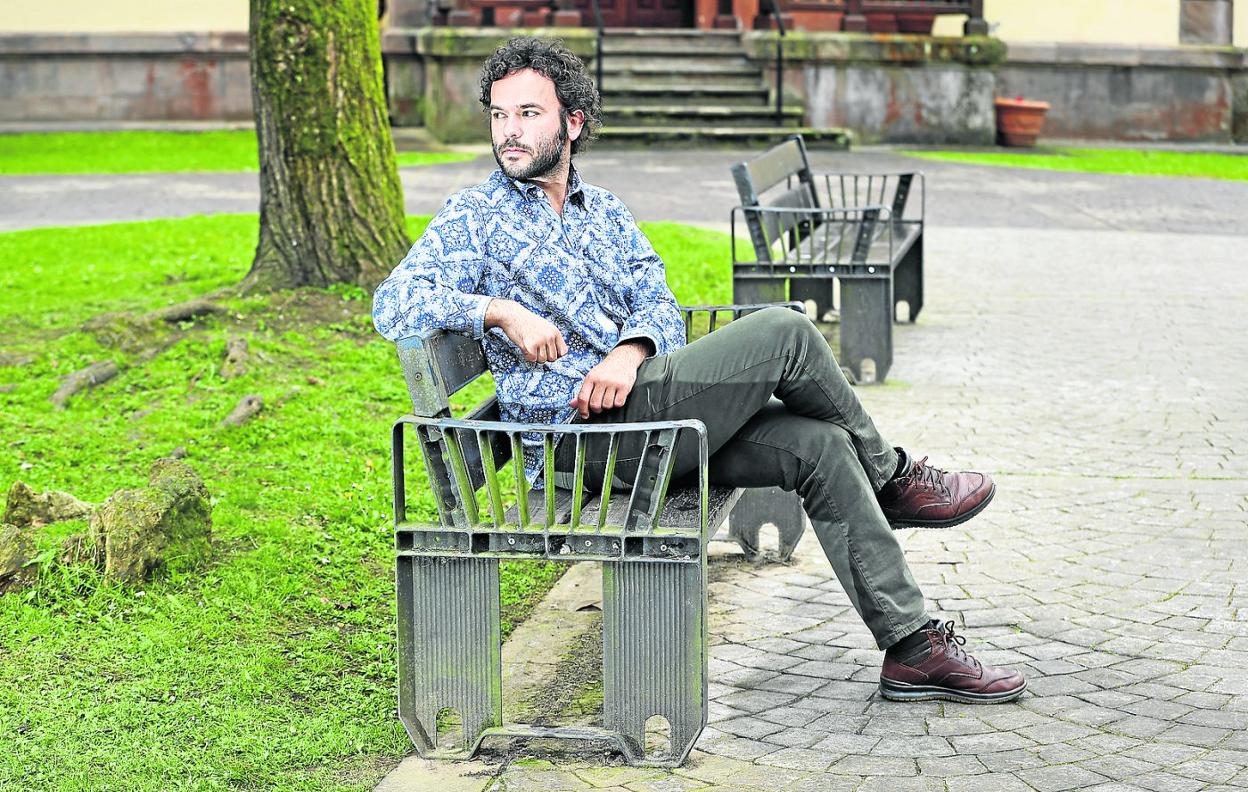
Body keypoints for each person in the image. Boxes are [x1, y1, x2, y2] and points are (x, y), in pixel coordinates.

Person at [372, 37, 1025, 705]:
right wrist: (500, 311)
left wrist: (631, 351)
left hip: (642, 414)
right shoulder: (473, 218)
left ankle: (912, 647)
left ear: (572, 122)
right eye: (499, 115)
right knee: (788, 331)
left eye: (528, 113)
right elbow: (392, 302)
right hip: (585, 441)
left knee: (822, 447)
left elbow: (658, 299)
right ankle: (891, 477)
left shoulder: (606, 214)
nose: (509, 132)